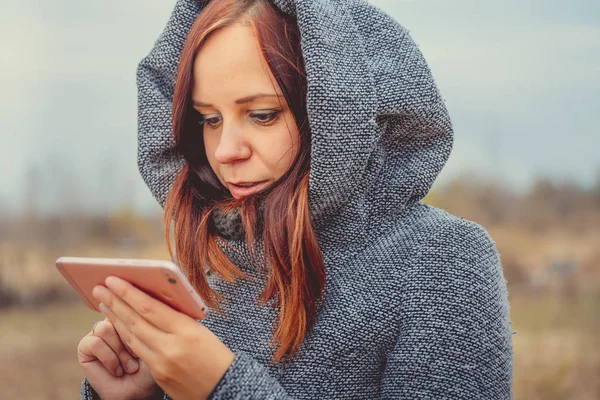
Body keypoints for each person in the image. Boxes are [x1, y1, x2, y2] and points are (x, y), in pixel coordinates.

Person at [78, 0, 514, 398]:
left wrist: (219, 388)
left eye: (262, 115)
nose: (226, 150)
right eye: (209, 119)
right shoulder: (220, 269)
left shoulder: (443, 261)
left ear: (338, 111)